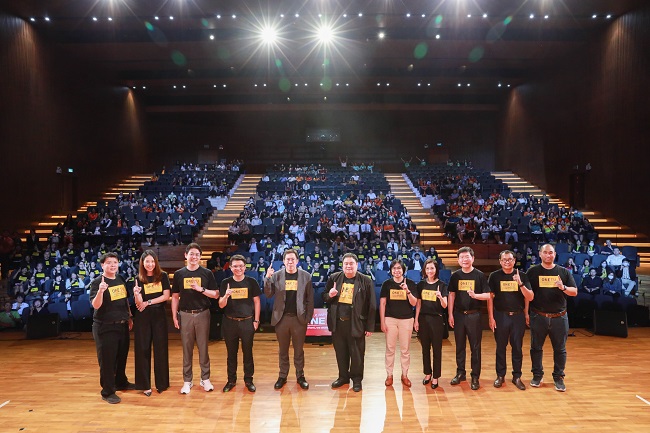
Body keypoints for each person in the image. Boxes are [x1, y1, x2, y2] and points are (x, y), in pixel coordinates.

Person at [526, 244, 577, 392]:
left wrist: (563, 287)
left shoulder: (563, 272)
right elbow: (527, 294)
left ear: (555, 254)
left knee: (560, 349)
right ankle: (537, 375)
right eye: (545, 252)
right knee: (536, 348)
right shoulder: (532, 271)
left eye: (551, 253)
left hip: (559, 317)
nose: (548, 255)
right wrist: (526, 313)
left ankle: (558, 377)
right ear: (540, 254)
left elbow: (574, 292)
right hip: (538, 316)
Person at [323, 253, 376, 392]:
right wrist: (330, 295)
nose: (348, 266)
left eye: (351, 263)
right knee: (341, 353)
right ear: (342, 265)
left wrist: (370, 326)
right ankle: (343, 377)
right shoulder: (334, 278)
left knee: (357, 354)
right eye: (346, 263)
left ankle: (357, 380)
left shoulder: (366, 281)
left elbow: (371, 305)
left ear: (357, 265)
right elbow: (324, 297)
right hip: (338, 323)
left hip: (356, 323)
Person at [171, 243, 219, 394]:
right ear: (186, 255)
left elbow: (216, 294)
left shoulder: (207, 273)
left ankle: (205, 378)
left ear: (200, 257)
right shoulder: (179, 274)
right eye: (191, 254)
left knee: (203, 347)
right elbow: (175, 297)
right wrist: (174, 315)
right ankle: (187, 381)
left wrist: (201, 289)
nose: (194, 257)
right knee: (187, 349)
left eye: (197, 254)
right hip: (185, 314)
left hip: (202, 313)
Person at [264, 249, 314, 390]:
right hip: (281, 319)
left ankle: (300, 376)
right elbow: (268, 294)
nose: (290, 262)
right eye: (288, 259)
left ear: (297, 261)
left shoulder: (306, 276)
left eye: (293, 259)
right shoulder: (276, 276)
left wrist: (307, 318)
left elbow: (310, 299)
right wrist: (267, 278)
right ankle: (282, 376)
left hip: (299, 319)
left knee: (299, 350)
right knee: (283, 350)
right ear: (284, 261)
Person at [89, 252, 134, 404]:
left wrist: (129, 316)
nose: (112, 265)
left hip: (122, 325)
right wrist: (101, 291)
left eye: (115, 262)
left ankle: (121, 382)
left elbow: (125, 300)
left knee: (121, 356)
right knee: (107, 361)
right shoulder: (97, 282)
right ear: (102, 265)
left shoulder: (120, 279)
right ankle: (107, 391)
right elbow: (95, 305)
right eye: (109, 262)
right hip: (105, 327)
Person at [487, 250, 534, 391]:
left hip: (518, 317)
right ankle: (500, 375)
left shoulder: (522, 275)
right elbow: (490, 297)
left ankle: (517, 376)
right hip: (500, 316)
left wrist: (520, 284)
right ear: (500, 261)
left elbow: (529, 297)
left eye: (510, 259)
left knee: (517, 347)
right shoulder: (494, 276)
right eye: (504, 260)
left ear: (514, 261)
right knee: (500, 347)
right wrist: (491, 317)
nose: (507, 262)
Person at [448, 246, 491, 390]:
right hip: (459, 315)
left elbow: (488, 295)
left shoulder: (479, 275)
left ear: (473, 258)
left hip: (474, 315)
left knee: (475, 347)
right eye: (462, 257)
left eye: (467, 257)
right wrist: (450, 314)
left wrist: (475, 295)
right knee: (460, 346)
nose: (464, 259)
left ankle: (475, 376)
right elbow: (451, 295)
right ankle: (460, 373)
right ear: (458, 260)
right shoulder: (455, 276)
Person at [219, 254, 261, 393]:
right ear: (230, 268)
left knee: (248, 353)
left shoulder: (251, 282)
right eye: (235, 266)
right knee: (231, 353)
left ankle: (248, 380)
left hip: (247, 322)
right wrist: (226, 295)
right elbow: (221, 305)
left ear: (245, 267)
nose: (238, 268)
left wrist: (256, 320)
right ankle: (231, 380)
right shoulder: (225, 282)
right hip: (229, 322)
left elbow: (257, 302)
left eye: (241, 266)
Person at [132, 250, 171, 397]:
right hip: (143, 316)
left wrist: (148, 302)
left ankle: (162, 383)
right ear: (142, 263)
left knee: (161, 348)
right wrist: (136, 295)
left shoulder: (163, 276)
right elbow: (138, 303)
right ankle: (144, 385)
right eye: (147, 261)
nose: (150, 264)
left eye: (152, 261)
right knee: (142, 349)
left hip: (159, 314)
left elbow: (166, 296)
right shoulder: (138, 278)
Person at [379, 259, 417, 387]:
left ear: (403, 270)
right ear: (391, 270)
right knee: (390, 349)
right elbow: (382, 304)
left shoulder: (410, 283)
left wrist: (407, 291)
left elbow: (414, 303)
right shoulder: (386, 284)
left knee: (405, 350)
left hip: (406, 320)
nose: (396, 270)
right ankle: (389, 375)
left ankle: (404, 375)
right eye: (394, 268)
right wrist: (382, 321)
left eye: (399, 268)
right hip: (390, 319)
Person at [414, 258, 448, 389]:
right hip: (423, 319)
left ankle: (436, 377)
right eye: (427, 268)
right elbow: (418, 304)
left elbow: (445, 305)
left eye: (432, 268)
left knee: (437, 349)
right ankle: (427, 373)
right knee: (425, 348)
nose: (430, 271)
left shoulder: (442, 285)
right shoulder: (421, 285)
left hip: (437, 320)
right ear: (424, 270)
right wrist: (416, 320)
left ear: (436, 270)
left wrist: (440, 297)